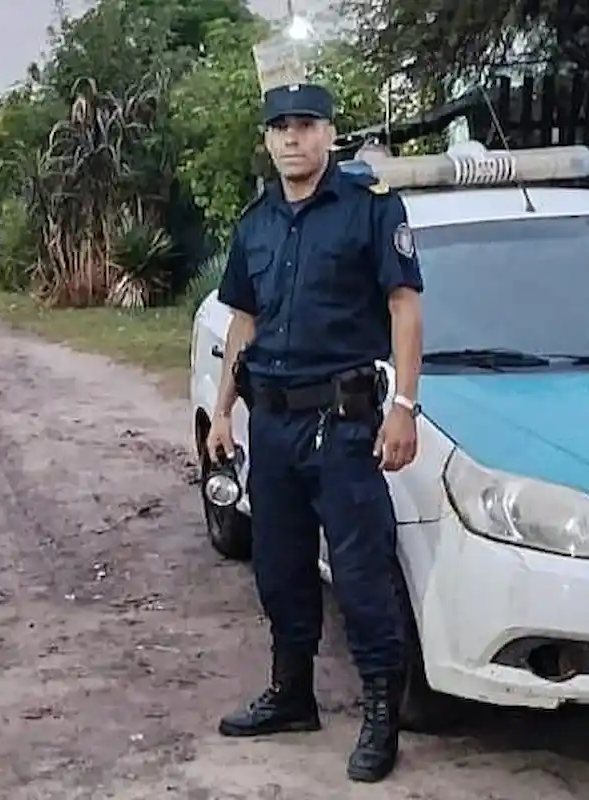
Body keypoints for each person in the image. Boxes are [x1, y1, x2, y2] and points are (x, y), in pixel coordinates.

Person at [205, 82, 424, 783]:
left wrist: (405, 408)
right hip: (271, 423)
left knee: (362, 577)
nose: (292, 139)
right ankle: (292, 694)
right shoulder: (257, 224)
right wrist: (220, 409)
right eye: (280, 128)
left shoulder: (369, 210)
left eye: (306, 126)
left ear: (330, 134)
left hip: (342, 423)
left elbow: (404, 309)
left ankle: (381, 715)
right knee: (279, 568)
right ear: (267, 139)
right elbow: (243, 318)